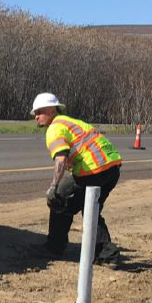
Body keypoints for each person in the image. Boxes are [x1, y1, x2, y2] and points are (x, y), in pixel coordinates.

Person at [28, 93, 122, 262]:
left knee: (59, 197)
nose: (36, 117)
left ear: (50, 110)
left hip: (94, 171)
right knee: (91, 210)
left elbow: (61, 158)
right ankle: (107, 254)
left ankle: (54, 247)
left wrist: (53, 187)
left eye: (39, 112)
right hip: (111, 169)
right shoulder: (71, 122)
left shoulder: (55, 128)